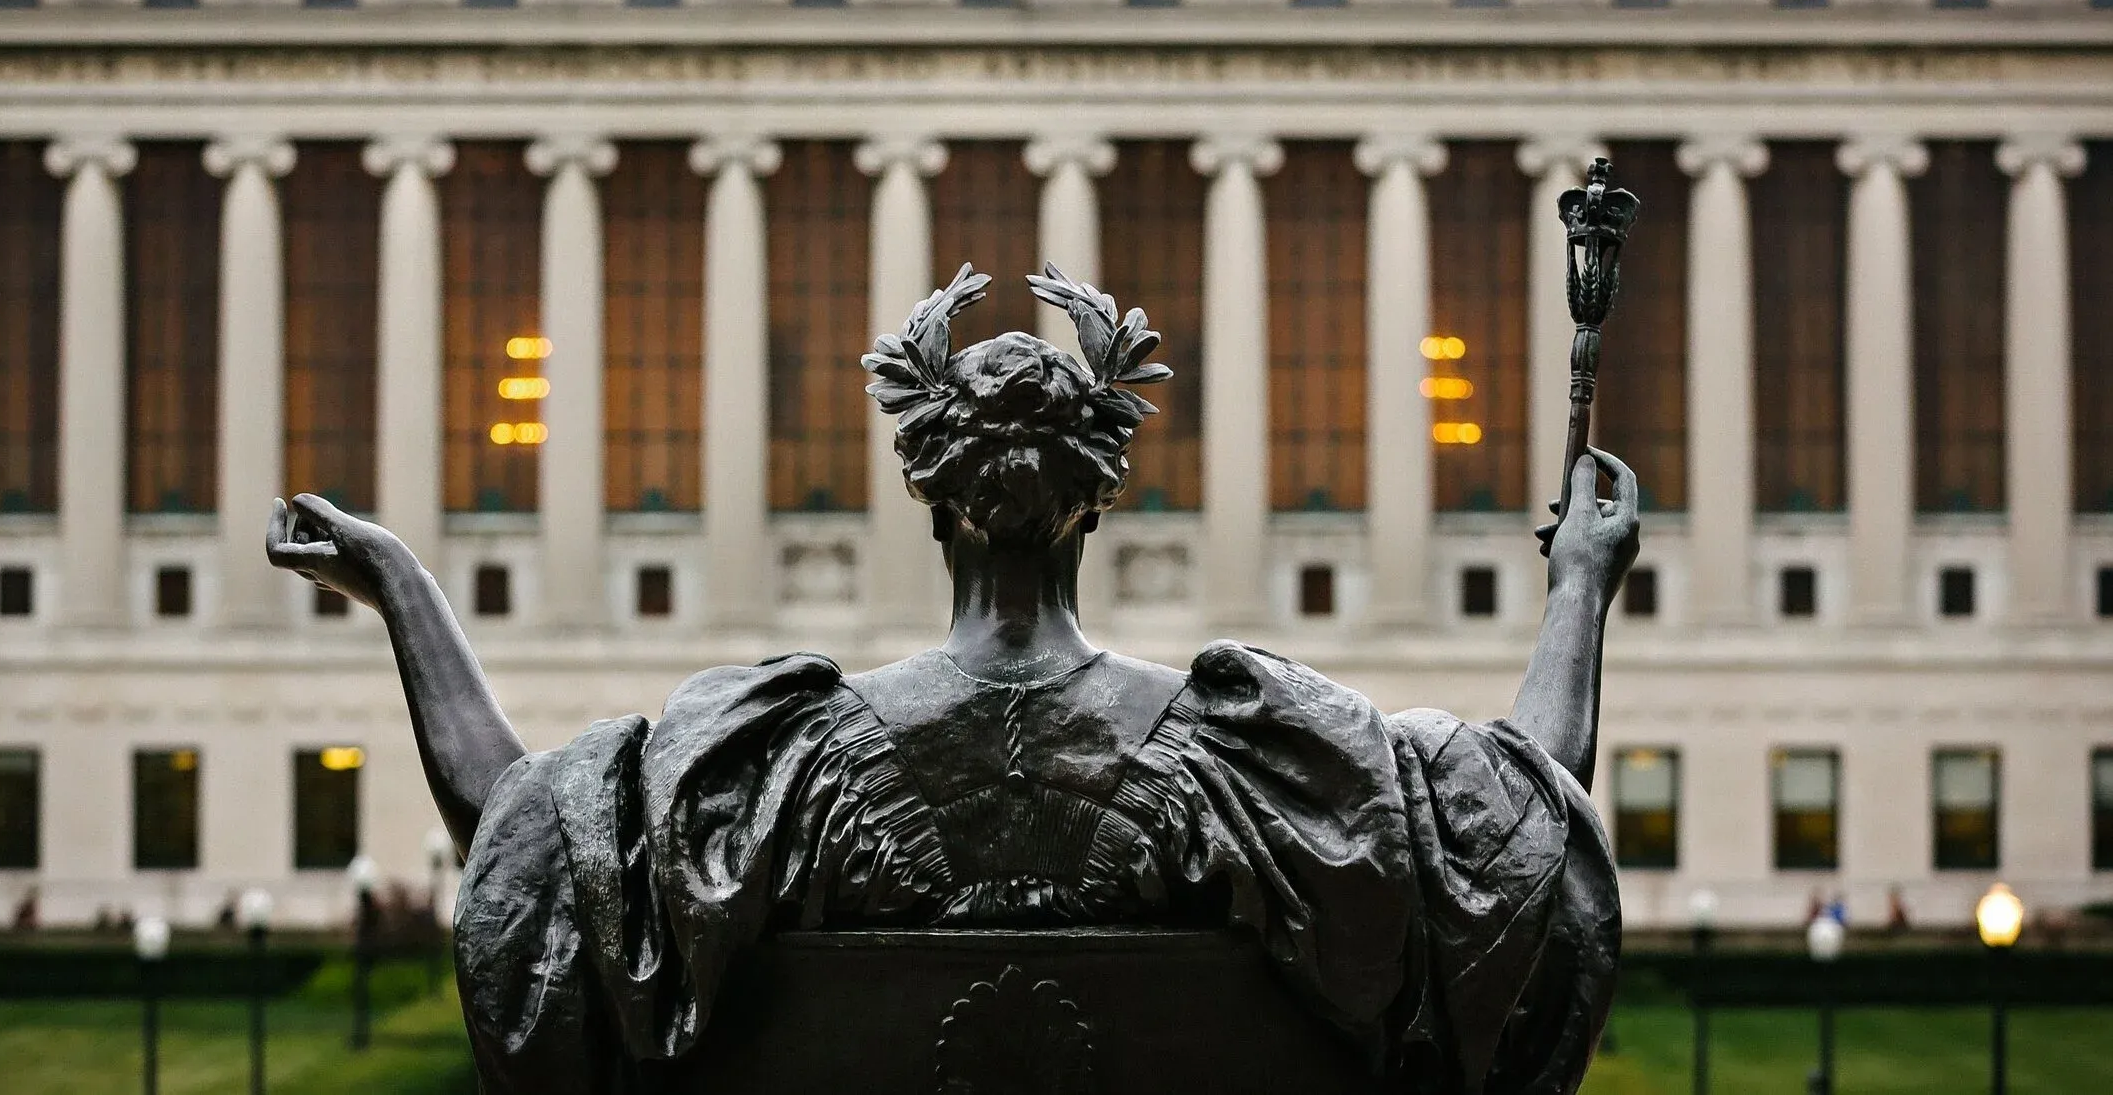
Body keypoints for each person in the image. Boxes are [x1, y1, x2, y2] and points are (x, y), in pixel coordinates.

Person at [271, 265, 1634, 1094]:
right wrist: (1578, 584)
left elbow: (525, 857)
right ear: (1098, 506)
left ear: (925, 502)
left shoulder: (773, 768)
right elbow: (1513, 857)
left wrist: (403, 590)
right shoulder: (1258, 761)